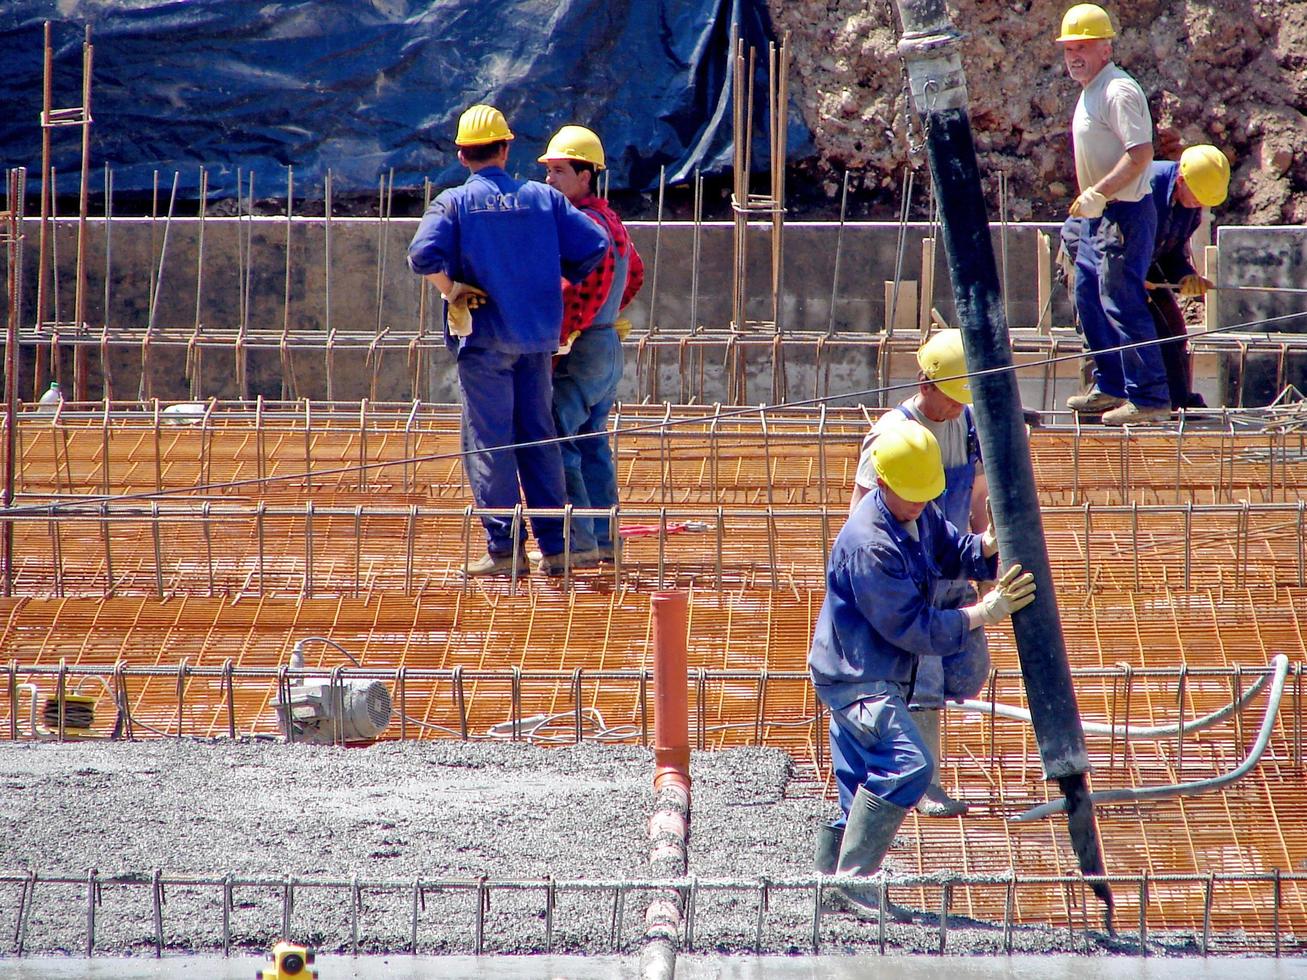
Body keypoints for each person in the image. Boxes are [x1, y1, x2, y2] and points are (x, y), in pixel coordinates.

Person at [809, 420, 1036, 919]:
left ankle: (828, 886)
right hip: (857, 675)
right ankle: (853, 883)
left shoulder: (917, 509)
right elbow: (910, 626)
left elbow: (951, 550)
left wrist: (989, 545)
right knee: (909, 765)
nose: (919, 504)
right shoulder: (869, 543)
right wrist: (981, 615)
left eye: (923, 496)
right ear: (882, 481)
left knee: (862, 780)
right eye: (909, 496)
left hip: (868, 668)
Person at [407, 105, 609, 577]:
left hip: (484, 341)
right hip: (536, 341)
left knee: (490, 445)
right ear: (506, 148)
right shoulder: (544, 198)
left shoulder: (454, 203)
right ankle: (556, 548)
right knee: (539, 439)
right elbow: (593, 246)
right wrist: (543, 279)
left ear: (461, 154)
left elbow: (421, 256)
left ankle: (504, 550)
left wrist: (452, 289)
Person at [848, 330, 987, 818]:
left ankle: (898, 755)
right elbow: (863, 514)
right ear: (927, 384)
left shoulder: (968, 422)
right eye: (952, 397)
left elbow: (975, 497)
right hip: (910, 576)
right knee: (923, 681)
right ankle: (923, 783)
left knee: (969, 674)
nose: (956, 407)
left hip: (951, 565)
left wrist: (983, 561)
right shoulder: (893, 435)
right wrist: (877, 586)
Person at [1057, 3, 1170, 426]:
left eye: (1083, 46)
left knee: (1121, 301)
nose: (1074, 55)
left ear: (1106, 48)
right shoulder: (1092, 89)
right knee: (1089, 296)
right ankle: (1111, 386)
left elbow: (1140, 154)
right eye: (1069, 48)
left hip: (1122, 213)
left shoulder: (1117, 90)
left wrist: (1099, 193)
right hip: (1097, 215)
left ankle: (1150, 397)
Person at [538, 125, 645, 563]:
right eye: (547, 171)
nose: (549, 180)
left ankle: (577, 541)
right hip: (606, 348)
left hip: (583, 351)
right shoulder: (612, 220)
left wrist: (562, 337)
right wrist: (608, 318)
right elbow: (633, 273)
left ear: (586, 176)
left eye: (559, 171)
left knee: (559, 439)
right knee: (592, 443)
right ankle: (604, 538)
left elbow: (577, 288)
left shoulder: (580, 224)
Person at [1143, 144, 1231, 409]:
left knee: (1172, 331)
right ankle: (1100, 415)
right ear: (1181, 180)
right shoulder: (1148, 187)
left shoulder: (1188, 203)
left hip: (1143, 261)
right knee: (1114, 334)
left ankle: (1177, 403)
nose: (1200, 204)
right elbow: (1115, 240)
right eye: (1197, 197)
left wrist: (1186, 276)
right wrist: (1132, 279)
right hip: (1100, 258)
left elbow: (1170, 252)